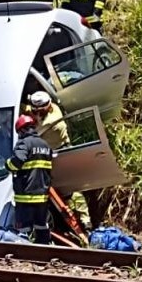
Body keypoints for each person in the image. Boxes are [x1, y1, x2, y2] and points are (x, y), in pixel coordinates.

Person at [26, 91, 91, 231]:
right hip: (50, 154)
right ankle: (74, 216)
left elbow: (34, 132)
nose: (35, 112)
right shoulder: (52, 107)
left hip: (61, 153)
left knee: (72, 188)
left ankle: (84, 220)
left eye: (37, 110)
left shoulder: (52, 121)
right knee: (66, 190)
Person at [5, 115, 53, 245]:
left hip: (25, 197)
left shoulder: (24, 143)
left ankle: (24, 255)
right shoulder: (45, 145)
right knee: (41, 226)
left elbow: (17, 161)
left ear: (21, 131)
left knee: (23, 230)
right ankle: (44, 252)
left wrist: (7, 164)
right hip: (42, 196)